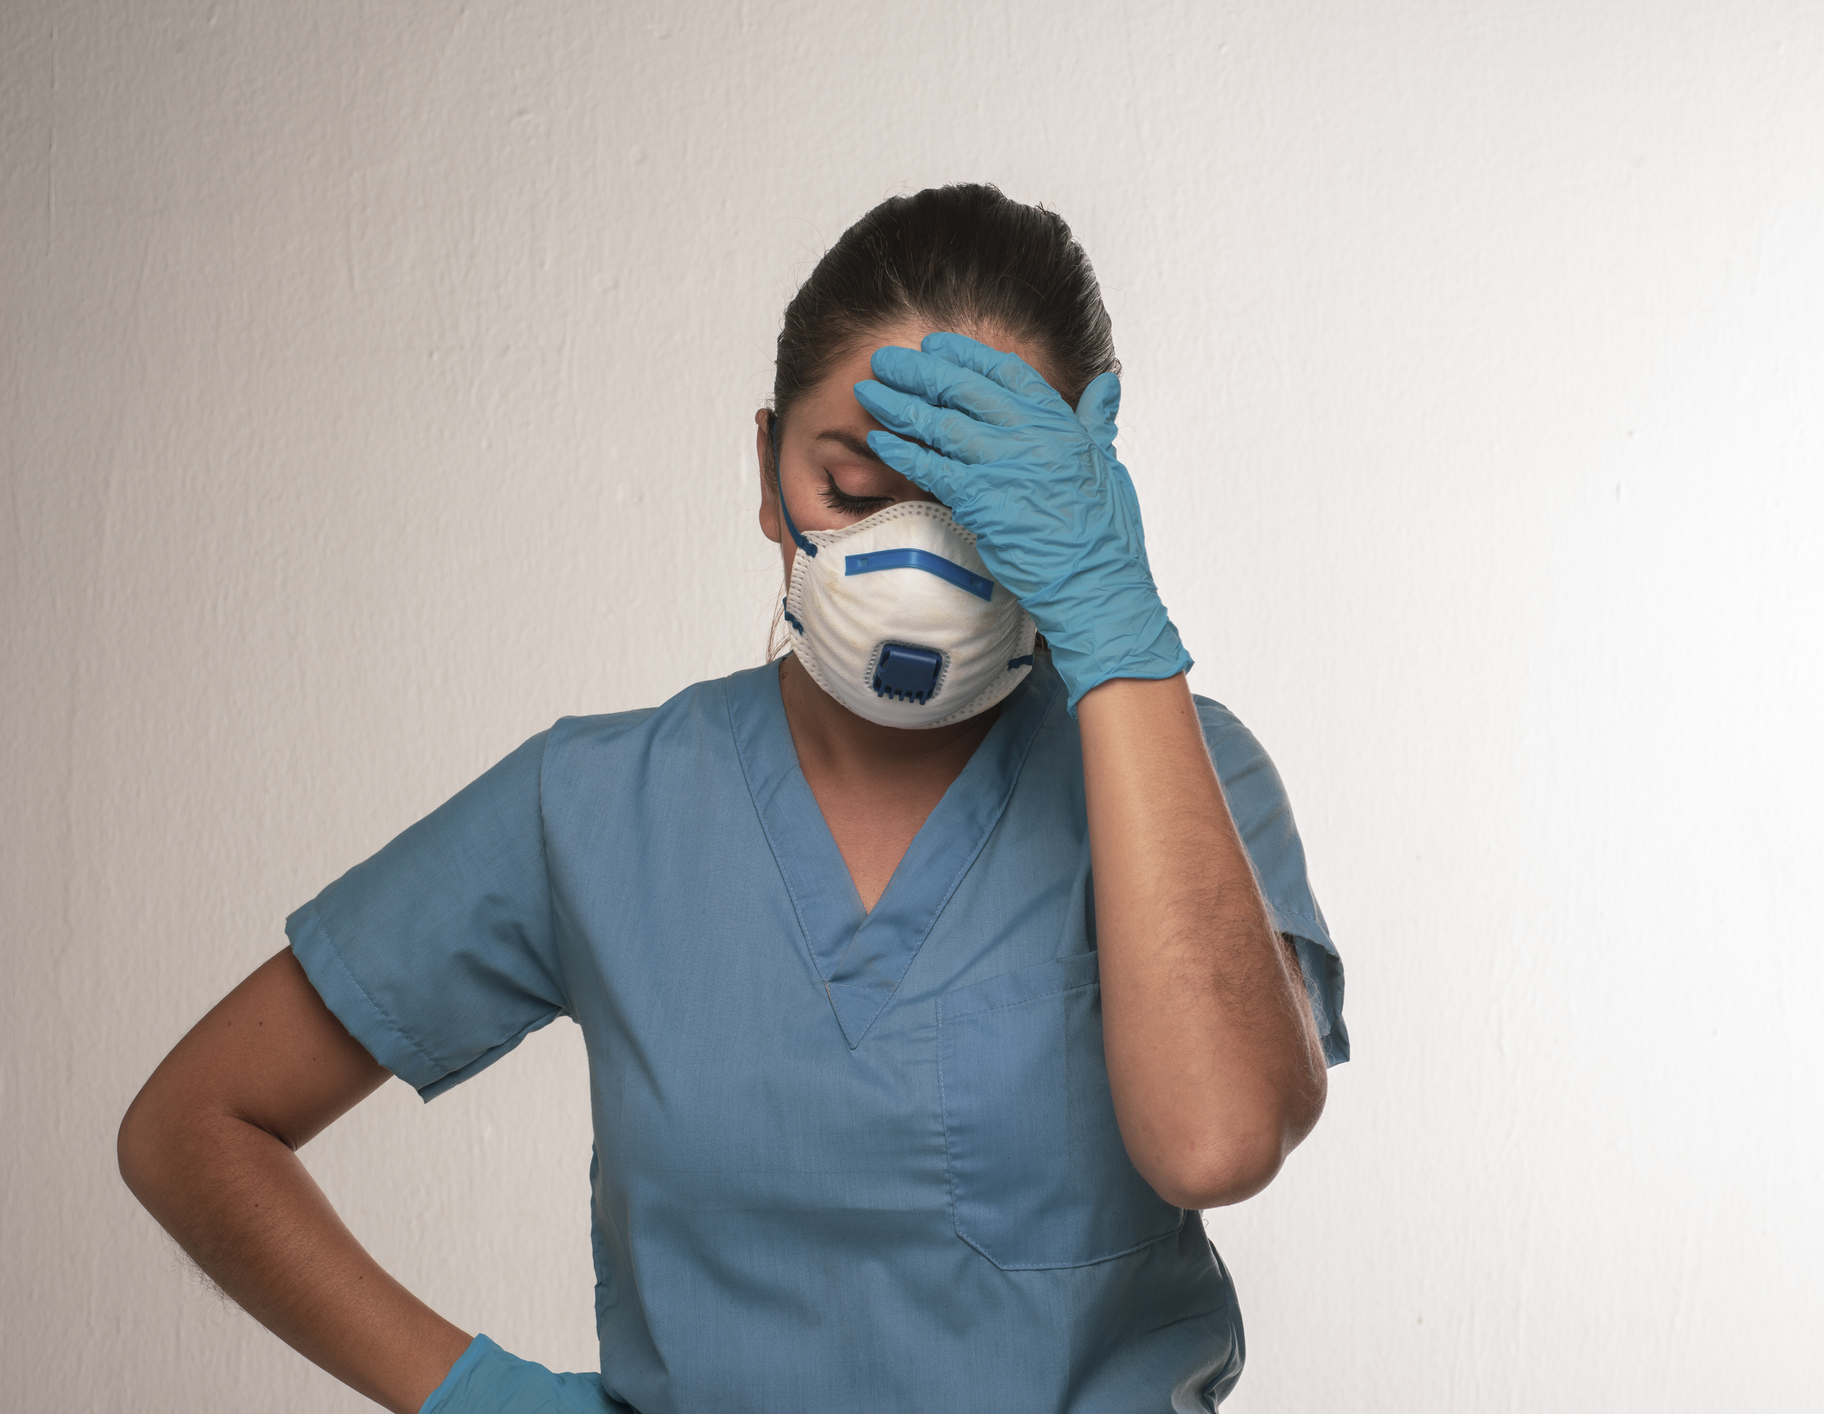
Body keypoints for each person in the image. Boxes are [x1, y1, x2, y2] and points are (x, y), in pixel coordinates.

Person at [116, 183, 1349, 1414]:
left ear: (1077, 499)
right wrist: (479, 1398)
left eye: (987, 513)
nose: (914, 564)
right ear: (767, 473)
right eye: (854, 495)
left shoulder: (1177, 774)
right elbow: (197, 1122)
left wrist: (1113, 630)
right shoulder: (602, 804)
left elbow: (1217, 1143)